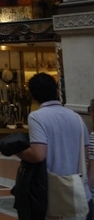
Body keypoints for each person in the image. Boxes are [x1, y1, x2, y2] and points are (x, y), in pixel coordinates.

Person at [15, 73, 92, 219]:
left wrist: (18, 151)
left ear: (32, 96)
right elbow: (85, 152)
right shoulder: (76, 116)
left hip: (54, 194)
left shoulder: (37, 117)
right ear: (57, 91)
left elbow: (38, 154)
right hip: (80, 193)